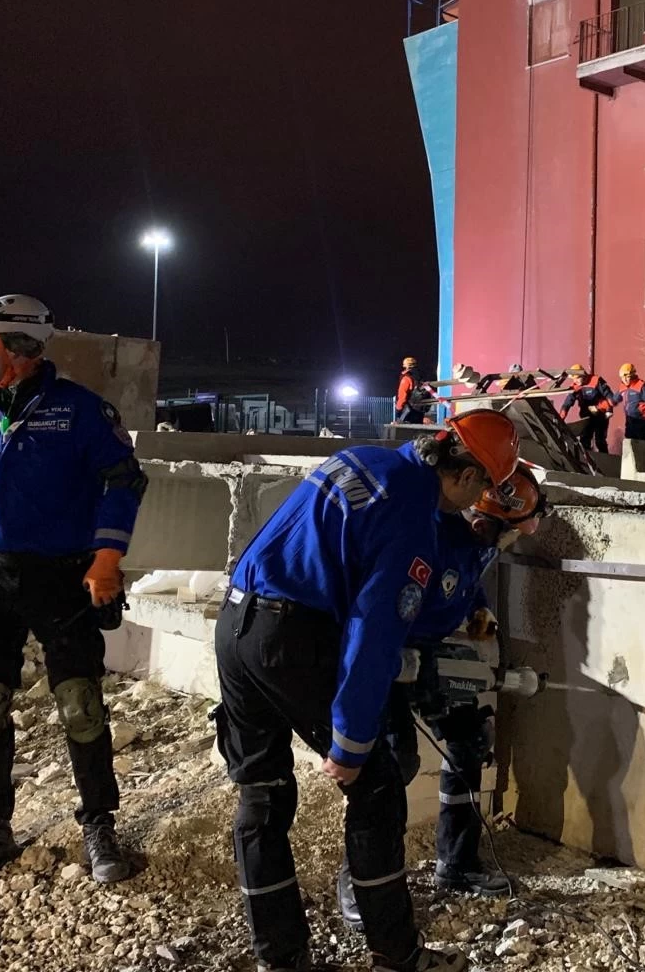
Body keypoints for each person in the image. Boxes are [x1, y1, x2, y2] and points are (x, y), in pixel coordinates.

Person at [212, 409, 520, 972]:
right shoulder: (412, 516)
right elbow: (376, 627)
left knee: (263, 794)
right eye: (480, 490)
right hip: (292, 636)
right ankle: (395, 956)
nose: (473, 506)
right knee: (376, 783)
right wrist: (351, 740)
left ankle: (280, 959)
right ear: (470, 475)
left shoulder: (365, 458)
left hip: (236, 623)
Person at [0, 294, 148, 883]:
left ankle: (99, 827)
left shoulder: (82, 411)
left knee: (81, 707)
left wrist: (107, 558)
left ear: (14, 347)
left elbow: (125, 481)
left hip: (64, 578)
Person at [337, 464, 546, 930]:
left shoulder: (480, 543)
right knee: (392, 765)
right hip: (386, 653)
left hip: (432, 649)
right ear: (482, 520)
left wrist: (477, 609)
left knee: (470, 739)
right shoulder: (425, 536)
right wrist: (394, 665)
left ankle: (458, 863)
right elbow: (382, 609)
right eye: (511, 530)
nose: (512, 540)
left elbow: (464, 580)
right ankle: (360, 878)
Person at [559, 363, 617, 453]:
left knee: (600, 441)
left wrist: (604, 408)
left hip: (600, 416)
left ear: (583, 375)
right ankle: (587, 463)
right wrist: (560, 419)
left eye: (577, 378)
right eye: (573, 379)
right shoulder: (575, 386)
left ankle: (605, 462)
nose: (575, 381)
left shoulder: (596, 381)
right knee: (584, 440)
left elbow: (610, 398)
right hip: (586, 417)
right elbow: (567, 403)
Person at [615, 363, 645, 443]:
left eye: (627, 377)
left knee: (642, 445)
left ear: (633, 375)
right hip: (630, 421)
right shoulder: (623, 387)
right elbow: (613, 400)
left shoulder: (642, 386)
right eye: (623, 377)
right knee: (629, 443)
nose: (625, 379)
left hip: (642, 422)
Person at [395, 357, 433, 424]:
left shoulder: (406, 378)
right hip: (420, 412)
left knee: (404, 432)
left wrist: (398, 409)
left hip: (408, 412)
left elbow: (402, 396)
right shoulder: (421, 377)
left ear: (405, 365)